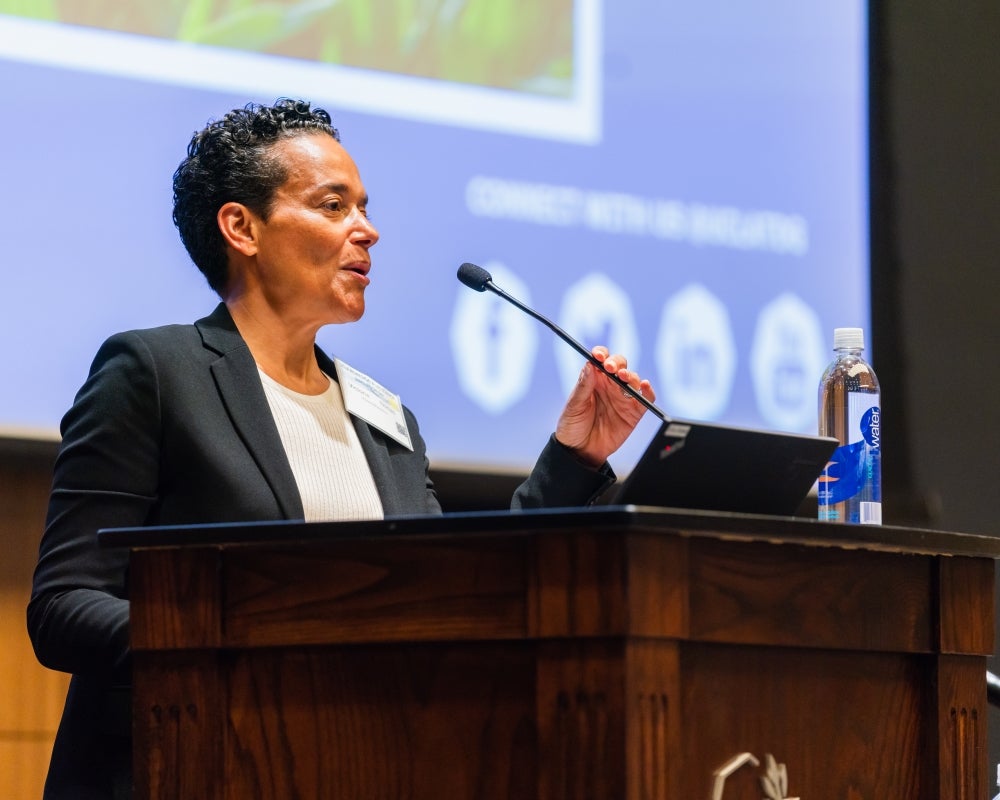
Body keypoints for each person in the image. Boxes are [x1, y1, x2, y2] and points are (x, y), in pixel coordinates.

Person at [27, 98, 655, 799]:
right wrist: (258, 641)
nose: (369, 231)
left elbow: (447, 592)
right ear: (241, 227)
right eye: (334, 207)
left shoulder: (382, 414)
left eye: (363, 207)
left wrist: (574, 456)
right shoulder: (156, 373)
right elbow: (64, 605)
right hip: (190, 766)